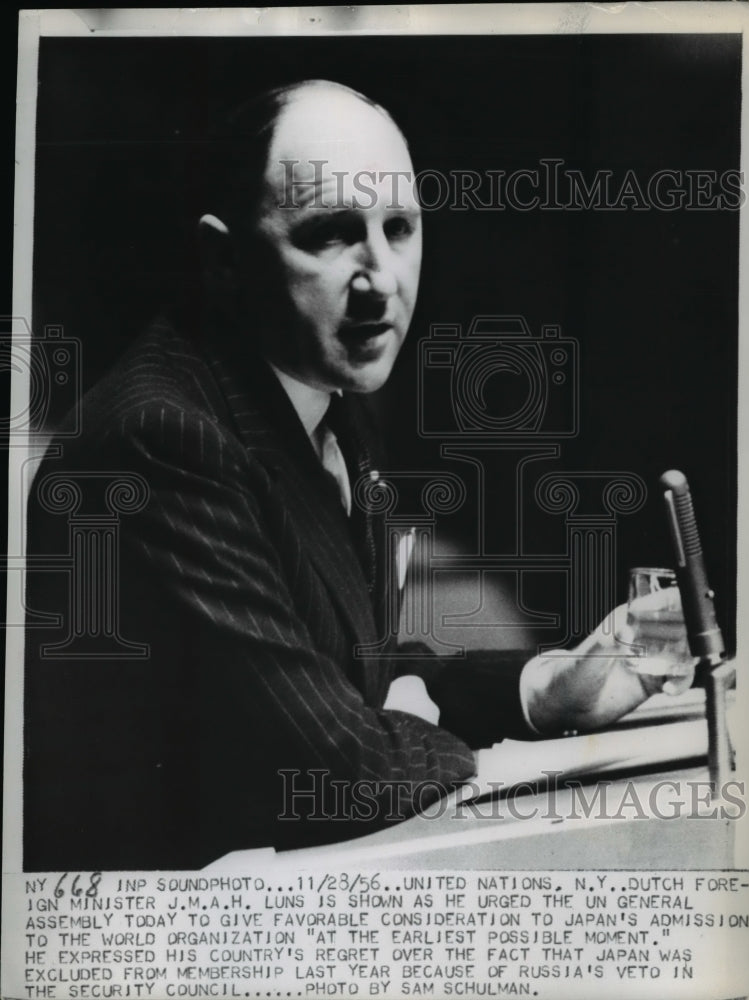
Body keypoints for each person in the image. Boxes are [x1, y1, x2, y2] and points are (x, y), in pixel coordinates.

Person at [23, 80, 686, 871]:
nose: (382, 281)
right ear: (223, 257)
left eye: (399, 227)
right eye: (333, 235)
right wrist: (393, 724)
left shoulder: (322, 391)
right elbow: (334, 766)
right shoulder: (164, 435)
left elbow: (339, 666)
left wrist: (547, 688)